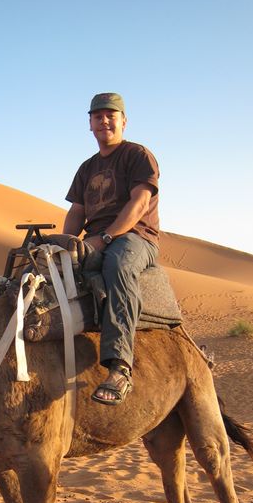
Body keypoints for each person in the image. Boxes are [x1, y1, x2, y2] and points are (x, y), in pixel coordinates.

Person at [63, 92, 160, 405]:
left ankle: (120, 367)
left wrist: (105, 237)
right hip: (96, 238)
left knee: (118, 264)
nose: (104, 121)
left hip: (136, 237)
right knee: (48, 269)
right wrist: (66, 245)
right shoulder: (87, 168)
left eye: (110, 115)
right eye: (98, 116)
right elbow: (77, 211)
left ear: (123, 121)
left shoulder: (137, 155)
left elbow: (140, 203)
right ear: (90, 124)